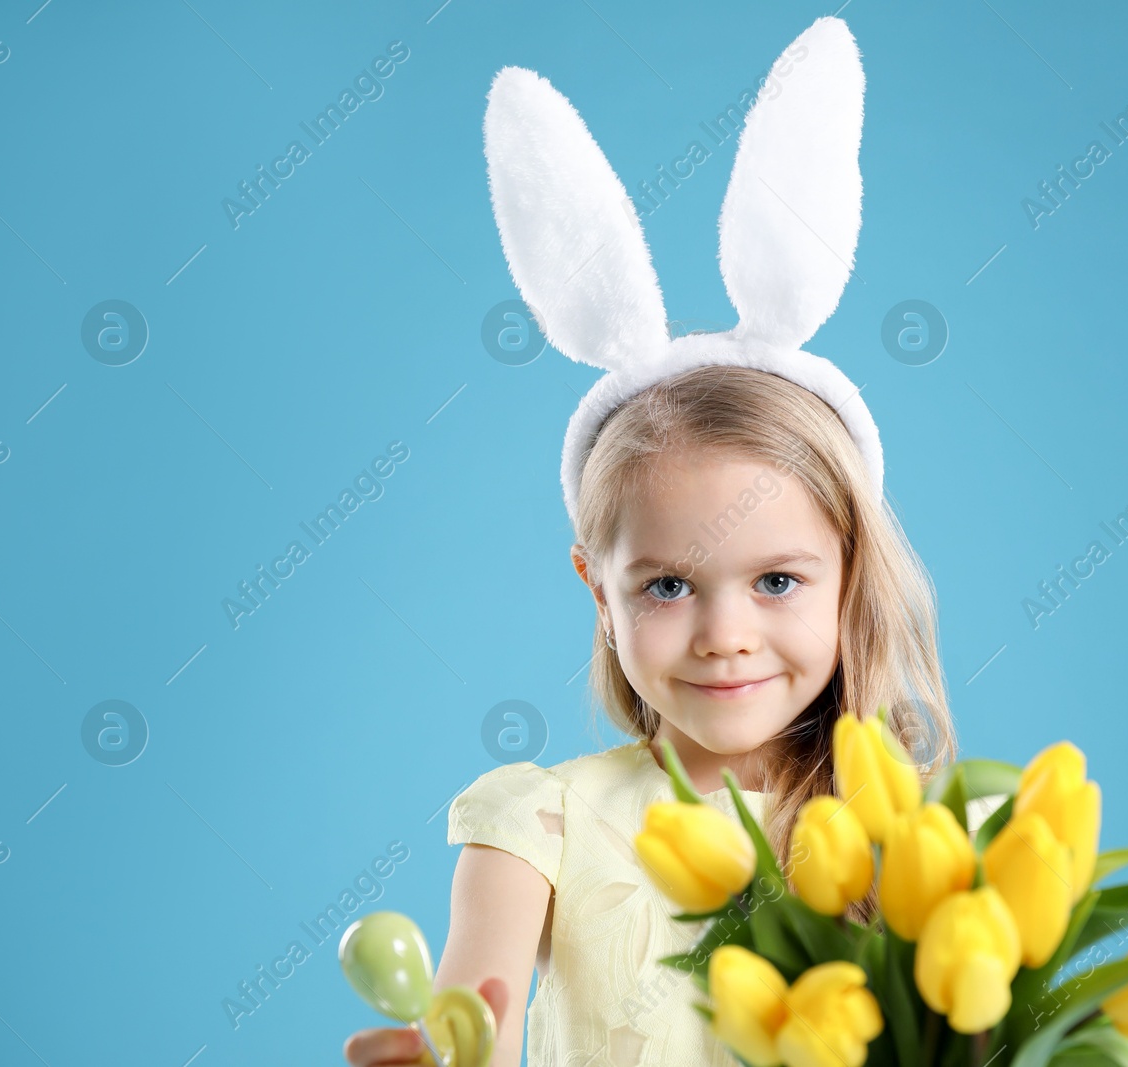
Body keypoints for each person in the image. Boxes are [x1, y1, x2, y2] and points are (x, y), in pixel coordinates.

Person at [346, 15, 960, 1066]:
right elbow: (473, 1019)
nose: (726, 634)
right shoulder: (542, 821)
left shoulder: (905, 840)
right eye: (669, 584)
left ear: (849, 572)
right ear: (598, 589)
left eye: (776, 578)